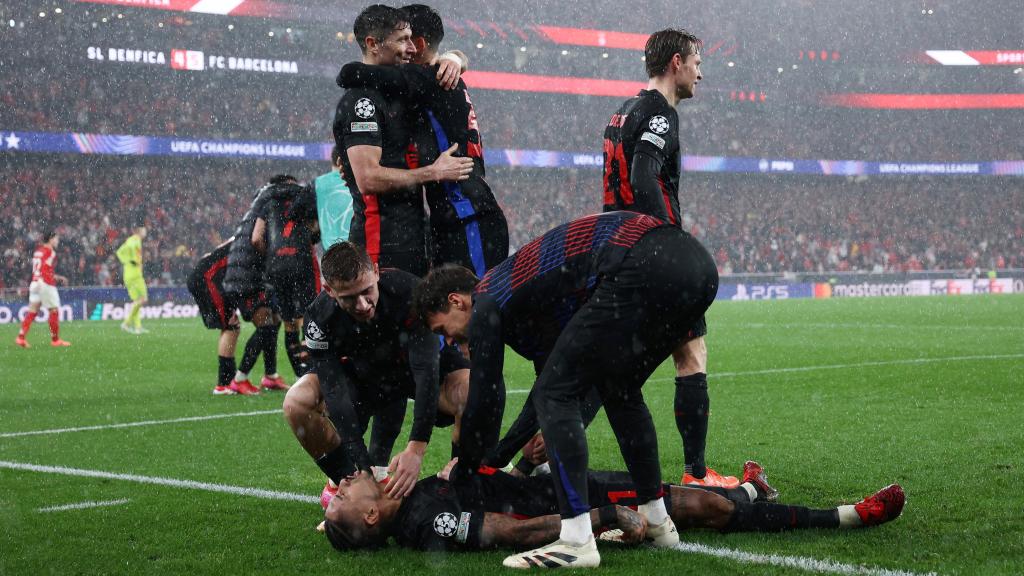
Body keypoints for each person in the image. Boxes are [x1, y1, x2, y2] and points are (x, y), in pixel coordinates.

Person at [414, 211, 720, 567]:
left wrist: (468, 470)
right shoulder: (529, 309)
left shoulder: (486, 298)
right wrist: (506, 462)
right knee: (618, 387)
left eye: (442, 330)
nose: (448, 341)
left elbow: (487, 394)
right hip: (695, 265)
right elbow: (551, 384)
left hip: (642, 260)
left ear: (456, 300)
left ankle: (576, 539)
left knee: (561, 395)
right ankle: (657, 520)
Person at [602, 29, 728, 488]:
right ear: (676, 62)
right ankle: (695, 473)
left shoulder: (623, 110)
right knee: (690, 354)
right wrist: (667, 239)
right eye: (697, 61)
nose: (701, 72)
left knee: (601, 368)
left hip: (615, 249)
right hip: (652, 257)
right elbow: (642, 173)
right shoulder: (660, 115)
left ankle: (523, 460)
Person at [321, 460, 905, 557]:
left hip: (561, 481)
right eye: (347, 494)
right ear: (373, 517)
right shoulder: (424, 522)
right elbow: (510, 530)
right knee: (704, 509)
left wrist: (523, 467)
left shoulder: (413, 493)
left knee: (697, 503)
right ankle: (848, 516)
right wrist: (595, 520)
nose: (348, 480)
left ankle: (751, 490)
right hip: (577, 498)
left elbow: (495, 496)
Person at [282, 241, 462, 510]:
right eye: (349, 297)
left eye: (367, 291)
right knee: (296, 402)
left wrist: (416, 448)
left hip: (410, 374)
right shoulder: (318, 320)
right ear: (329, 290)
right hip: (362, 381)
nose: (363, 304)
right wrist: (362, 466)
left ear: (376, 272)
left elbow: (426, 371)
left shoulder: (410, 292)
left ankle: (461, 483)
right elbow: (334, 390)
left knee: (471, 388)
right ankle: (351, 485)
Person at [337, 4, 509, 276]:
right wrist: (457, 57)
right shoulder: (426, 82)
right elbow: (368, 169)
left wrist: (455, 57)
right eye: (399, 39)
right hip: (446, 222)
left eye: (408, 39)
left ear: (419, 43)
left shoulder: (428, 79)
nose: (406, 48)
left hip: (467, 218)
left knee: (473, 306)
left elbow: (349, 73)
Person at [186, 238, 287, 395]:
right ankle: (224, 384)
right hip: (210, 278)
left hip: (213, 277)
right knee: (231, 326)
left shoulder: (246, 235)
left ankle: (236, 380)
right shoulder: (259, 237)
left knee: (240, 325)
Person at [223, 177, 292, 395]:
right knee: (268, 326)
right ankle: (239, 379)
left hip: (242, 274)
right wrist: (272, 261)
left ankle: (270, 376)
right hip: (248, 278)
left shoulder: (259, 206)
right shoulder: (270, 207)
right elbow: (256, 241)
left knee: (275, 320)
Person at [252, 176, 320, 378]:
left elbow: (256, 239)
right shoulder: (305, 196)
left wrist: (272, 254)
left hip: (277, 266)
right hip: (301, 262)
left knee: (289, 321)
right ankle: (311, 372)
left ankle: (299, 375)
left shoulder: (268, 201)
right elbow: (316, 229)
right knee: (310, 317)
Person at [15, 231, 70, 348]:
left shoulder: (38, 251)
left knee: (32, 311)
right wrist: (47, 281)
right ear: (50, 239)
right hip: (44, 283)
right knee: (54, 310)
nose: (57, 241)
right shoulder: (50, 252)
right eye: (56, 239)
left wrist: (57, 277)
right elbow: (45, 269)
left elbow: (40, 268)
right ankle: (55, 340)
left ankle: (20, 337)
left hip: (34, 282)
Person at [314, 146, 355, 253]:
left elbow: (297, 211)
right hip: (356, 248)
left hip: (330, 250)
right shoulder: (360, 180)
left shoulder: (318, 183)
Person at [115, 224, 149, 334]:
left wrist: (127, 260)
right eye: (144, 229)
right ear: (139, 231)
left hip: (128, 273)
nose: (145, 231)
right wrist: (134, 260)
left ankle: (138, 327)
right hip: (135, 274)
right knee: (143, 299)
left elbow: (119, 252)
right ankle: (126, 323)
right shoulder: (135, 239)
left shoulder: (132, 239)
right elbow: (131, 247)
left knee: (137, 301)